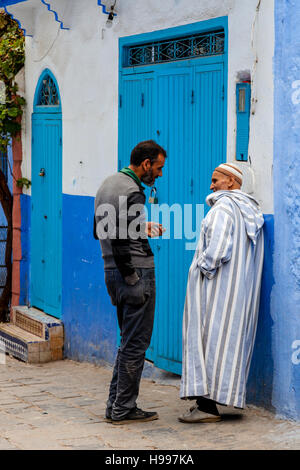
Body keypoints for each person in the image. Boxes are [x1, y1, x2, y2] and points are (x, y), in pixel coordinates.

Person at [179, 162, 264, 423]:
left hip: (215, 290)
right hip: (237, 293)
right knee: (224, 345)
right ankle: (214, 401)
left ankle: (206, 407)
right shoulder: (248, 210)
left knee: (206, 342)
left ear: (231, 181)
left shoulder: (224, 207)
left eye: (216, 179)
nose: (211, 185)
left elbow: (216, 251)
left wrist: (201, 269)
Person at [94, 140, 167, 425]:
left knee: (127, 342)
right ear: (146, 164)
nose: (159, 174)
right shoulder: (134, 191)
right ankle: (123, 408)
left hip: (110, 273)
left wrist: (140, 227)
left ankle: (116, 405)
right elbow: (122, 241)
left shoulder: (107, 184)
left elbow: (99, 230)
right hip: (134, 274)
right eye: (158, 167)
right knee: (136, 344)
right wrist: (132, 275)